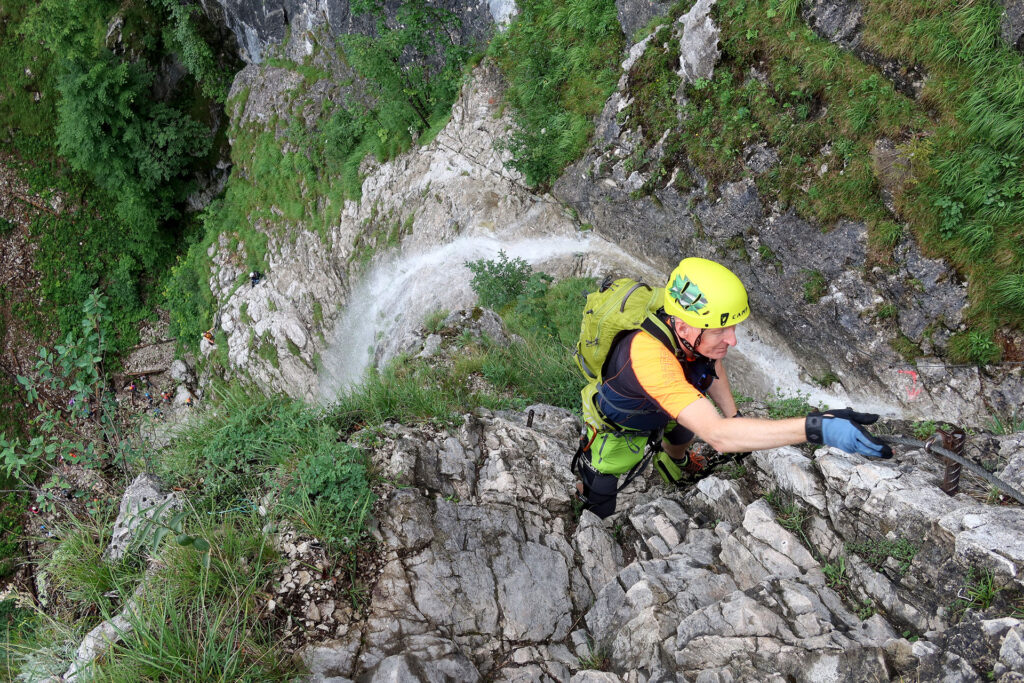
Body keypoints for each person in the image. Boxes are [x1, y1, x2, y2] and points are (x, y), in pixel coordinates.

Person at [577, 257, 891, 519]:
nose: (733, 339)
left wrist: (735, 416)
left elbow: (710, 363)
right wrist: (819, 429)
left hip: (668, 401)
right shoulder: (651, 358)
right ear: (683, 327)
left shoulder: (686, 324)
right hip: (624, 421)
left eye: (733, 326)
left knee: (683, 436)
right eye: (721, 330)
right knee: (602, 486)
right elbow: (717, 435)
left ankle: (678, 464)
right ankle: (590, 516)